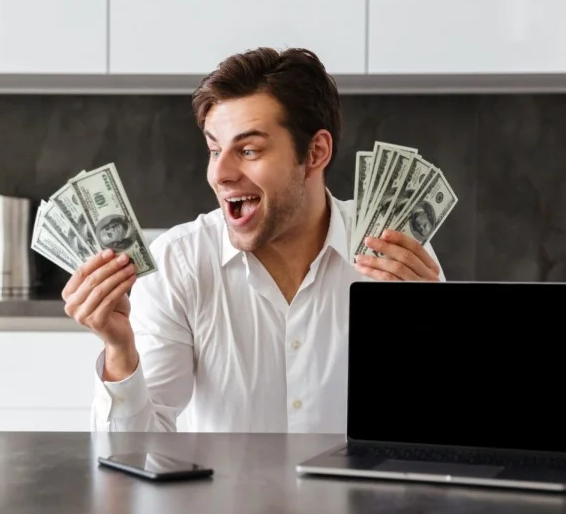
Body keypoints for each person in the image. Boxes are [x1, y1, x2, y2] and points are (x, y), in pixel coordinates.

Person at [62, 47, 445, 433]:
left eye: (248, 150)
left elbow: (435, 439)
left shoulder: (396, 257)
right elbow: (134, 457)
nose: (220, 174)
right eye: (214, 150)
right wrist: (119, 351)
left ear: (315, 152)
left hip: (356, 495)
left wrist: (440, 333)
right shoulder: (179, 264)